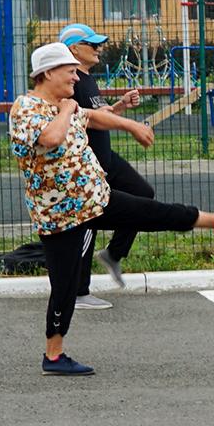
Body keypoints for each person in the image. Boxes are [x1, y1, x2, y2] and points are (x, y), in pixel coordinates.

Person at [11, 43, 214, 376]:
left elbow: (93, 118)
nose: (76, 78)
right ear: (47, 72)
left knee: (156, 212)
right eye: (69, 72)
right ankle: (53, 356)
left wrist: (131, 125)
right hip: (61, 215)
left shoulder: (69, 105)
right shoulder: (27, 107)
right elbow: (50, 138)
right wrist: (65, 110)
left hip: (96, 199)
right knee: (64, 286)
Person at [57, 23, 159, 305]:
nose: (99, 47)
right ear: (74, 49)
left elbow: (96, 114)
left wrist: (120, 106)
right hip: (88, 165)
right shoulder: (70, 81)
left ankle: (113, 254)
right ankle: (78, 292)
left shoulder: (87, 78)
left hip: (107, 159)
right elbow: (77, 116)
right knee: (88, 220)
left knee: (143, 195)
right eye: (92, 44)